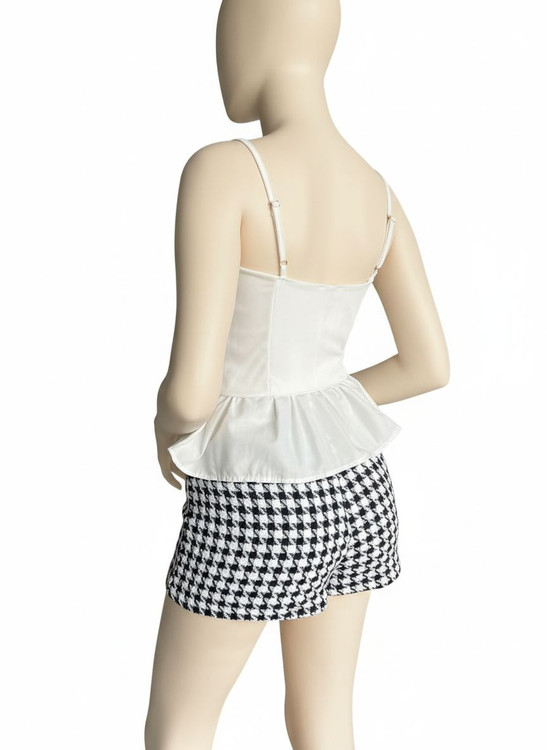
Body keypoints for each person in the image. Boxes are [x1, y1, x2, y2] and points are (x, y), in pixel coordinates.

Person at [145, 1, 450, 748]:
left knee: (180, 725)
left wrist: (164, 424)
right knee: (323, 719)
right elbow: (428, 364)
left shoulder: (224, 170)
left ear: (253, 37)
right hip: (358, 492)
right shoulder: (378, 192)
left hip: (254, 495)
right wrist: (318, 411)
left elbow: (191, 392)